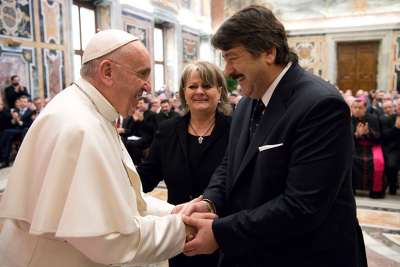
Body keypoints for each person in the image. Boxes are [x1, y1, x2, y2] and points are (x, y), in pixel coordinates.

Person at [174, 5, 367, 267]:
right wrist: (209, 202)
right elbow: (231, 165)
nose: (227, 71)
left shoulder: (321, 105)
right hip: (254, 251)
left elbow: (302, 206)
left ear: (268, 52)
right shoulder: (245, 104)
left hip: (305, 256)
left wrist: (221, 233)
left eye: (232, 58)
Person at [0, 29, 202, 267]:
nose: (148, 87)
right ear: (107, 72)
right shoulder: (79, 126)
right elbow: (110, 241)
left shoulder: (91, 112)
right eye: (143, 74)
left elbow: (123, 200)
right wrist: (182, 227)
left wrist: (173, 213)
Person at [137, 61, 231, 267]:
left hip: (222, 238)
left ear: (220, 91)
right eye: (192, 86)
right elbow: (148, 175)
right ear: (183, 92)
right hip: (180, 235)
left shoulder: (235, 130)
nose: (199, 92)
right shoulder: (168, 130)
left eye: (207, 86)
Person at [351, 98, 385, 198]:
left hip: (372, 146)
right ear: (352, 108)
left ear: (365, 108)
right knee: (350, 160)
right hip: (355, 146)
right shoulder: (349, 119)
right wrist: (356, 134)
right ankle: (351, 189)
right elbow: (345, 137)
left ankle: (375, 191)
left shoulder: (373, 118)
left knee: (378, 161)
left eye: (360, 108)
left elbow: (379, 137)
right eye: (355, 107)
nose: (357, 110)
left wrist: (368, 133)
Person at [381, 98, 400, 195]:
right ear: (396, 107)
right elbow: (385, 135)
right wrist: (396, 128)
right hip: (393, 149)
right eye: (399, 105)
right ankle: (392, 186)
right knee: (391, 165)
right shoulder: (389, 119)